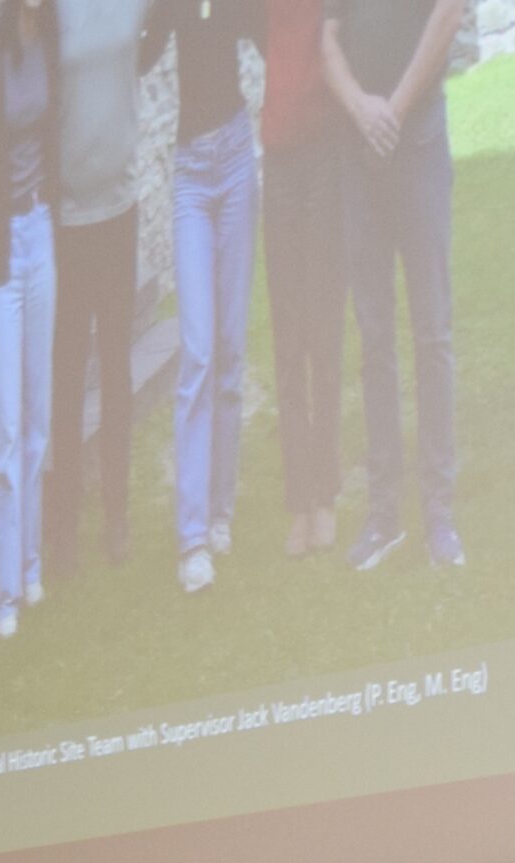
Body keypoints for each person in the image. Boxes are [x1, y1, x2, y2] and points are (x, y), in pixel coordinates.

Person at [323, 0, 467, 572]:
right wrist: (361, 108)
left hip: (421, 144)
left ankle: (439, 515)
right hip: (359, 157)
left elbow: (449, 14)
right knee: (375, 341)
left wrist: (395, 110)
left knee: (431, 336)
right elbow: (328, 40)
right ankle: (384, 517)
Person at [46, 0, 168, 574]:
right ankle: (65, 526)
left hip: (119, 210)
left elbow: (166, 24)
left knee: (116, 370)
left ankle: (116, 519)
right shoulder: (49, 11)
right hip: (66, 222)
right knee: (68, 377)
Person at [154, 0, 266, 595]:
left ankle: (220, 511)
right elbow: (138, 55)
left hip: (236, 156)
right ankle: (192, 537)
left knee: (229, 350)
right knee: (197, 352)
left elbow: (276, 35)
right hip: (192, 176)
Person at [0, 0, 63, 638]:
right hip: (1, 249)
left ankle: (32, 566)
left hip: (42, 232)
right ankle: (5, 594)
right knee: (6, 429)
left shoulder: (51, 43)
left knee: (39, 417)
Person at [261, 0, 345, 559]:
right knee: (288, 343)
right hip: (279, 162)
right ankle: (300, 504)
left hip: (323, 155)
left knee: (324, 334)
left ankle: (328, 497)